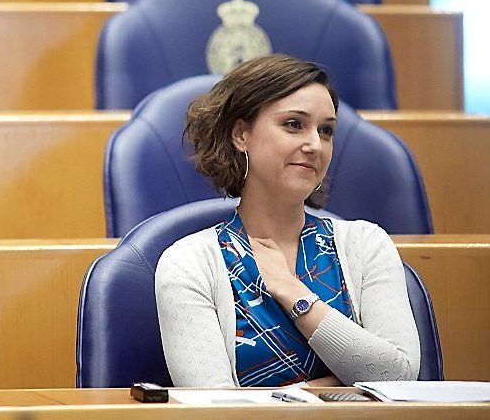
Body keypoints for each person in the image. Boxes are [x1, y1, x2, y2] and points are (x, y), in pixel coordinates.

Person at [155, 54, 420, 387]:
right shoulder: (188, 263)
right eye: (294, 124)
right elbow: (216, 410)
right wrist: (333, 387)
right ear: (241, 134)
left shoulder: (367, 244)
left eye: (326, 131)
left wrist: (293, 293)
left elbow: (399, 376)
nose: (315, 145)